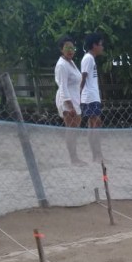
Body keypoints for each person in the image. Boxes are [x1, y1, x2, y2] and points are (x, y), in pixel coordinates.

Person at [54, 35, 85, 166]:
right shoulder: (62, 65)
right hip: (67, 102)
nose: (70, 50)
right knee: (71, 130)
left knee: (75, 130)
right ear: (61, 49)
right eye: (67, 47)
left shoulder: (70, 63)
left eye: (72, 48)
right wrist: (70, 106)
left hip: (75, 100)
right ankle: (74, 159)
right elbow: (63, 86)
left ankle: (75, 157)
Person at [80, 32, 104, 162]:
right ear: (94, 45)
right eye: (100, 44)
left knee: (95, 124)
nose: (102, 47)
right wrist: (79, 95)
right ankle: (96, 155)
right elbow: (83, 78)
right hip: (90, 97)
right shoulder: (88, 58)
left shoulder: (90, 59)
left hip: (92, 96)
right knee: (94, 125)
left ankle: (97, 154)